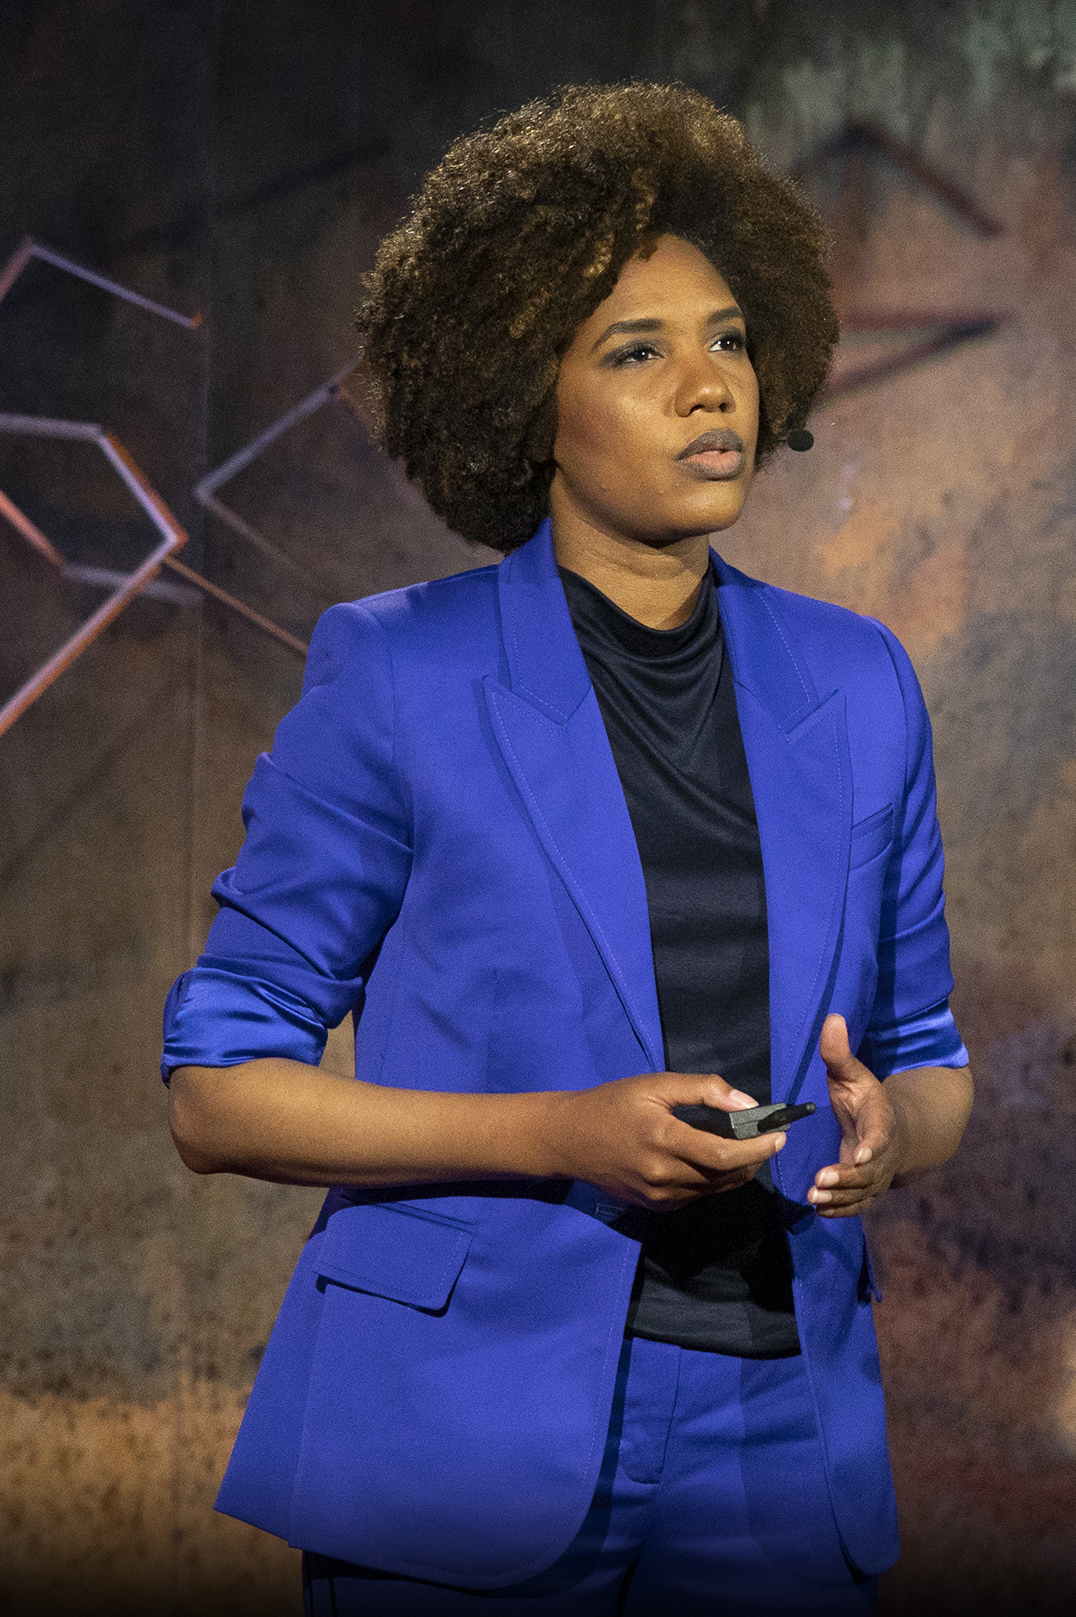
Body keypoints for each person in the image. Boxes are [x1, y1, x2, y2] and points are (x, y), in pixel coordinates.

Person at [161, 83, 973, 1611]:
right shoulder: (399, 674)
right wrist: (556, 1133)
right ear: (522, 395)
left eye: (729, 339)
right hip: (458, 1429)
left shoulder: (859, 685)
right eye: (637, 351)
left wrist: (886, 1139)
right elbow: (218, 1092)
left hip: (778, 1441)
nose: (707, 387)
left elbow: (928, 1058)